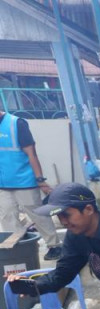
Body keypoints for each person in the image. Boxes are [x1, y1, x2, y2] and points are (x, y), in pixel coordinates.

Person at [0, 105, 62, 259]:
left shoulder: (17, 124)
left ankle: (54, 245)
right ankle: (17, 248)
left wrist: (40, 180)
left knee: (37, 214)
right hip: (3, 183)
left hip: (24, 181)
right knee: (7, 216)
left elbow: (32, 154)